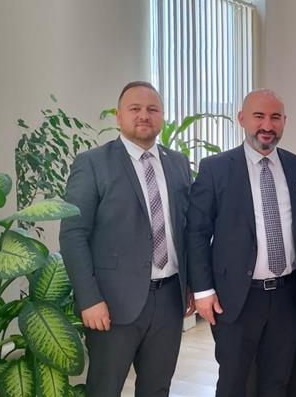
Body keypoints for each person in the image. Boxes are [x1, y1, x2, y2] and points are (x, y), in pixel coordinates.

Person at [60, 81, 195, 396]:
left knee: (157, 388)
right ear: (118, 116)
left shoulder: (177, 163)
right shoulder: (93, 163)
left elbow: (187, 228)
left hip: (169, 299)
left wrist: (190, 283)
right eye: (135, 109)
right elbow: (73, 234)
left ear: (162, 116)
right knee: (104, 389)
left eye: (152, 109)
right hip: (112, 304)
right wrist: (89, 299)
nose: (144, 115)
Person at [186, 89, 296, 397]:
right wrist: (203, 291)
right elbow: (197, 232)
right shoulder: (216, 169)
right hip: (237, 298)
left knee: (276, 382)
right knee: (233, 382)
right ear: (242, 118)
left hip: (287, 295)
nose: (267, 126)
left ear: (284, 121)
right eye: (259, 116)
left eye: (275, 117)